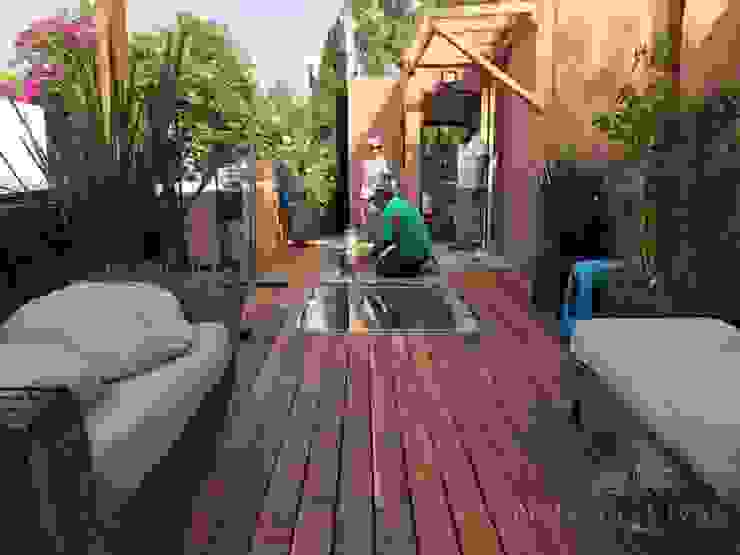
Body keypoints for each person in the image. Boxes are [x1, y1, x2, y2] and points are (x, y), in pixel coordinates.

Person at [366, 179, 437, 277]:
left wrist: (370, 253)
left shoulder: (389, 210)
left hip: (412, 255)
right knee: (388, 254)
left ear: (381, 198)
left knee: (381, 266)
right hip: (425, 253)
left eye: (374, 201)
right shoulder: (402, 204)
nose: (374, 204)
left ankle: (415, 268)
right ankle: (420, 265)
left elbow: (385, 242)